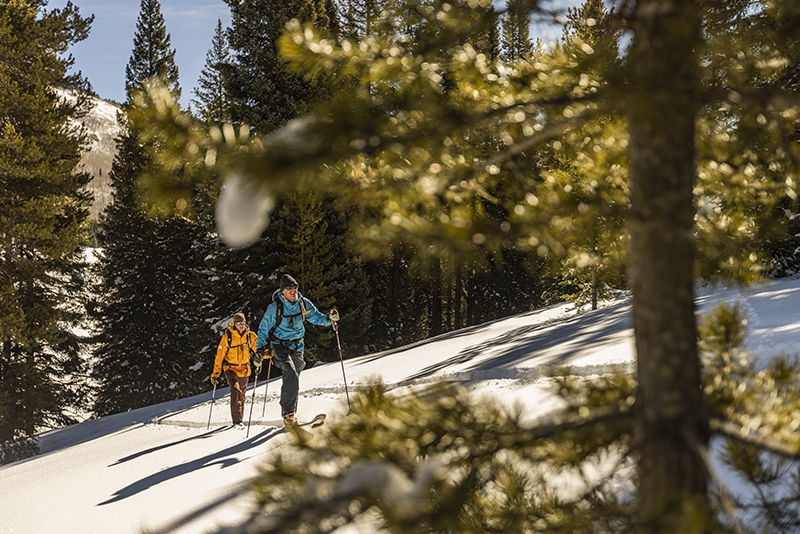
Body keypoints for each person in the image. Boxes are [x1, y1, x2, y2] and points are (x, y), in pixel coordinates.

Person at [256, 274, 334, 427]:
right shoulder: (274, 308)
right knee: (290, 371)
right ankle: (288, 414)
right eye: (290, 289)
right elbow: (263, 328)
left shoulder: (303, 303)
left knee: (294, 376)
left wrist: (329, 319)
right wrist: (259, 349)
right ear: (282, 291)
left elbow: (316, 317)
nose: (293, 291)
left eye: (295, 288)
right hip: (279, 345)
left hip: (298, 345)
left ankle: (290, 413)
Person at [211, 312, 259, 426]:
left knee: (241, 396)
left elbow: (259, 349)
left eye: (242, 322)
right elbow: (220, 355)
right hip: (230, 368)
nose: (241, 325)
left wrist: (266, 354)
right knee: (236, 390)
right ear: (234, 323)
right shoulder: (228, 336)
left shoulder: (250, 336)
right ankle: (237, 422)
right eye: (238, 323)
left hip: (244, 369)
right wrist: (216, 373)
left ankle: (240, 419)